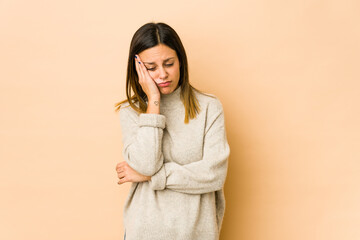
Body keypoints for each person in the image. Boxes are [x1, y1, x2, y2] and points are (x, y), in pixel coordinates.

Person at [114, 22, 230, 240]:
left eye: (169, 63)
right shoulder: (130, 112)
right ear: (138, 68)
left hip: (197, 233)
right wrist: (154, 101)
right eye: (151, 68)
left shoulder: (208, 107)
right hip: (144, 231)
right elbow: (147, 162)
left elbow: (214, 175)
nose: (163, 74)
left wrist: (151, 176)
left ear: (181, 62)